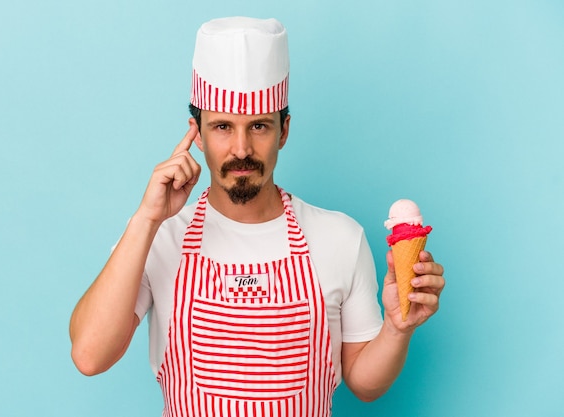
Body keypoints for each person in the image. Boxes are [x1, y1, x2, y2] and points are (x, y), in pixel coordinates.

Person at [69, 16, 445, 416]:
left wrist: (396, 328)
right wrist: (146, 219)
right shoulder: (157, 235)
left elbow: (364, 383)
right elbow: (90, 356)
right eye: (223, 127)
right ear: (196, 134)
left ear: (284, 131)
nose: (241, 148)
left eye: (260, 126)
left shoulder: (339, 237)